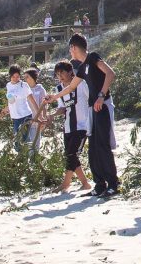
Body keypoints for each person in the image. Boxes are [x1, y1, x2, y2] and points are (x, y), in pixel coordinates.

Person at [44, 34, 119, 197]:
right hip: (93, 109)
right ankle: (99, 185)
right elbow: (71, 87)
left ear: (74, 47)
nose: (69, 51)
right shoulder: (83, 66)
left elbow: (110, 73)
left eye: (70, 48)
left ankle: (113, 184)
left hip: (102, 106)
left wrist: (101, 95)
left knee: (103, 145)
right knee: (93, 148)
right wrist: (54, 97)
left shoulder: (93, 57)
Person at [53, 60, 92, 193]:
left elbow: (90, 99)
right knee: (70, 155)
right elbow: (62, 108)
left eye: (62, 73)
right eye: (57, 74)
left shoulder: (81, 84)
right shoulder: (58, 89)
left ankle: (66, 183)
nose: (60, 76)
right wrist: (52, 116)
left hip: (82, 125)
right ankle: (84, 183)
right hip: (68, 126)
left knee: (72, 154)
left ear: (70, 72)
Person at [1, 65, 34, 145]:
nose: (16, 79)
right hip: (15, 117)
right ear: (10, 76)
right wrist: (6, 109)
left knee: (25, 139)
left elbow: (32, 100)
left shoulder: (24, 85)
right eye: (13, 77)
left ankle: (30, 152)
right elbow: (11, 101)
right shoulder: (8, 85)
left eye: (17, 77)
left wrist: (39, 114)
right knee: (17, 141)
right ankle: (23, 152)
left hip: (25, 115)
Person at [24, 68, 48, 154]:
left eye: (27, 77)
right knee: (25, 144)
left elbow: (44, 106)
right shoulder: (24, 89)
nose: (25, 79)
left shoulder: (40, 89)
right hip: (25, 121)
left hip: (37, 120)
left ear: (33, 77)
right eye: (24, 77)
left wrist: (44, 120)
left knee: (35, 145)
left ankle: (34, 160)